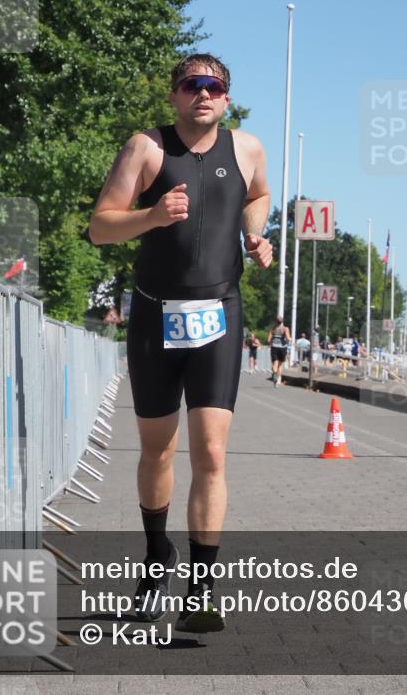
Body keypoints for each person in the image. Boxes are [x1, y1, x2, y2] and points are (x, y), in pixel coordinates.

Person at [88, 53, 273, 634]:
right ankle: (154, 560)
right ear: (175, 95)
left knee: (212, 453)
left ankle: (200, 586)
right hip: (154, 315)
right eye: (193, 85)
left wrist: (255, 236)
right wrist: (151, 216)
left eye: (216, 86)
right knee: (157, 451)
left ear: (226, 97)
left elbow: (258, 194)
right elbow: (99, 226)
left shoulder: (247, 149)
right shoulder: (146, 149)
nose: (205, 94)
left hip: (219, 312)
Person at [268, 317, 290, 385]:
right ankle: (277, 379)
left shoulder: (272, 329)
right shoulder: (285, 329)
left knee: (275, 362)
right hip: (282, 348)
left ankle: (274, 373)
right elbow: (288, 338)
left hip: (274, 347)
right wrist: (289, 340)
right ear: (282, 321)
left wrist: (271, 343)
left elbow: (268, 340)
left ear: (276, 321)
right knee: (280, 365)